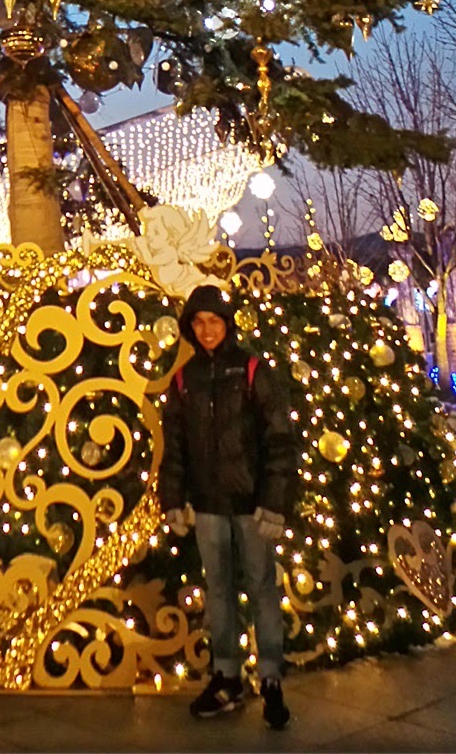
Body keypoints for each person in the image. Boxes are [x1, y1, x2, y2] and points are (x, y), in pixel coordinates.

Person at [160, 283, 297, 729]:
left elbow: (278, 439)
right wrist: (173, 499)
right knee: (217, 588)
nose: (207, 330)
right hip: (207, 503)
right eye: (199, 323)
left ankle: (271, 675)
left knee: (261, 586)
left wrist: (273, 502)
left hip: (250, 503)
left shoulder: (253, 370)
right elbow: (175, 446)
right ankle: (226, 675)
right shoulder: (185, 378)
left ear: (227, 324)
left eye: (214, 321)